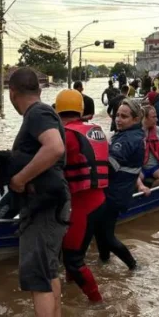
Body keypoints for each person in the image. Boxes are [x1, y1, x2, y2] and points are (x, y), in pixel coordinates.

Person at [9, 67, 70, 317]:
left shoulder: (36, 114)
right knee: (50, 269)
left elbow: (55, 147)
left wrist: (21, 178)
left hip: (44, 206)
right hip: (53, 202)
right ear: (40, 89)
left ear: (12, 93)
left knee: (37, 275)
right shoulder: (45, 112)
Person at [54, 89, 106, 304]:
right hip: (100, 200)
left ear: (57, 111)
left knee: (73, 259)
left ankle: (97, 304)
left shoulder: (64, 135)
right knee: (74, 255)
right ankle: (71, 289)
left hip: (82, 205)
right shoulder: (96, 129)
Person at [103, 99, 151, 268]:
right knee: (102, 232)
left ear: (136, 119)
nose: (118, 119)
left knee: (106, 236)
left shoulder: (127, 139)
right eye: (117, 115)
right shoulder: (132, 134)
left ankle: (133, 266)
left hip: (115, 194)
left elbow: (110, 166)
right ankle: (104, 262)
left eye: (124, 116)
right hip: (119, 191)